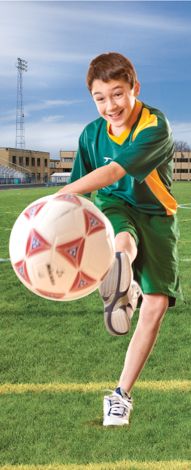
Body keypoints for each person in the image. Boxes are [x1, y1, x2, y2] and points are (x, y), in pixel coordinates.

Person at [58, 52, 181, 426]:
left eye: (117, 94)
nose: (110, 105)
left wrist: (54, 196)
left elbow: (114, 170)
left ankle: (120, 395)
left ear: (135, 89)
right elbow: (85, 190)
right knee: (122, 241)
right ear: (91, 98)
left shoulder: (155, 125)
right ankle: (122, 280)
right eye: (100, 97)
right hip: (115, 205)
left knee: (156, 307)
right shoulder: (90, 135)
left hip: (157, 214)